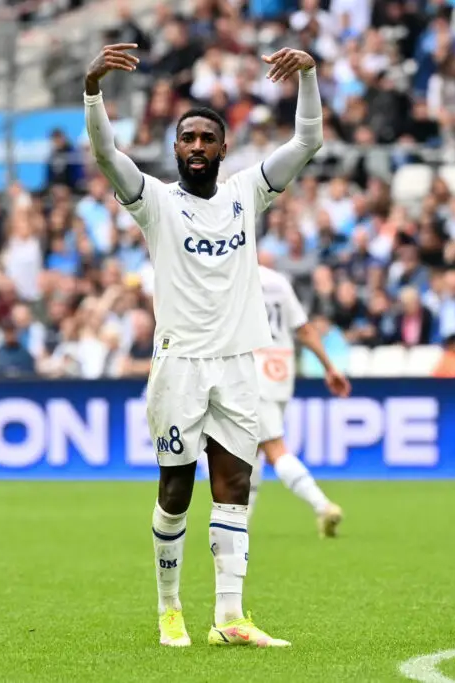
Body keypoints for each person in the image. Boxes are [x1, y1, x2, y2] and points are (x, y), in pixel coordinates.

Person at [84, 43, 323, 648]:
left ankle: (230, 618)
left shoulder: (247, 192)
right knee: (175, 491)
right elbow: (106, 154)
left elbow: (307, 142)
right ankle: (169, 609)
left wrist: (309, 77)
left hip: (238, 364)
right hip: (179, 366)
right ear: (175, 149)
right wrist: (92, 92)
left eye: (206, 138)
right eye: (187, 138)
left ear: (222, 147)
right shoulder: (156, 202)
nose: (196, 146)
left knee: (234, 488)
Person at [248, 261, 350, 538]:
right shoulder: (279, 282)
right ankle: (240, 525)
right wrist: (329, 367)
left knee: (273, 448)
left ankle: (323, 506)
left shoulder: (234, 277)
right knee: (252, 449)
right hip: (281, 369)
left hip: (251, 371)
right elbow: (304, 329)